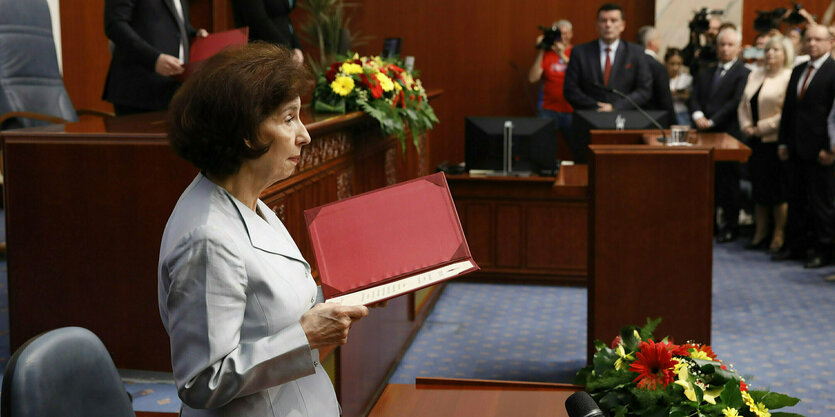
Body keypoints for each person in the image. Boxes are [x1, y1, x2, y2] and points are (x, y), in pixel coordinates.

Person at [158, 43, 371, 416]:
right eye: (289, 119)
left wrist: (338, 296)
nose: (304, 135)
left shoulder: (248, 199)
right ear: (245, 132)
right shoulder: (207, 237)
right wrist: (306, 336)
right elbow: (201, 381)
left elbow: (266, 308)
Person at [774, 24, 835, 268]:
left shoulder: (833, 71)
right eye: (808, 39)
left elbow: (834, 115)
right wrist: (782, 141)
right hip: (795, 147)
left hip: (821, 150)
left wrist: (831, 148)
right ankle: (795, 247)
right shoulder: (798, 69)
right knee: (796, 199)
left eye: (818, 40)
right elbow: (789, 111)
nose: (812, 44)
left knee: (821, 203)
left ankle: (824, 250)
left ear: (830, 42)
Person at [563, 3, 652, 162]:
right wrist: (596, 106)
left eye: (613, 20)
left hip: (625, 127)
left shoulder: (636, 53)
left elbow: (644, 90)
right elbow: (570, 89)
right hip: (587, 128)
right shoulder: (580, 52)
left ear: (623, 25)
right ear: (597, 25)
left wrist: (615, 107)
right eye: (603, 20)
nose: (608, 24)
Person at [690, 27, 750, 243]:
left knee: (729, 183)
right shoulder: (705, 72)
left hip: (729, 135)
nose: (725, 49)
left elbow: (734, 102)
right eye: (721, 44)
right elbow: (694, 97)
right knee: (708, 182)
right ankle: (711, 224)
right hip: (703, 135)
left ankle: (730, 225)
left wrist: (712, 120)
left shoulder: (744, 73)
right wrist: (698, 115)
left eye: (730, 45)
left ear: (738, 48)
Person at [737, 35, 793, 253]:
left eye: (776, 50)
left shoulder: (788, 77)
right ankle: (760, 232)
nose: (770, 54)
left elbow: (786, 113)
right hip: (754, 141)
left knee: (778, 191)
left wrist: (761, 127)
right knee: (759, 189)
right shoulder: (755, 75)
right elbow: (743, 104)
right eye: (768, 50)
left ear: (785, 54)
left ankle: (779, 233)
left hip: (775, 141)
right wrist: (746, 127)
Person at [103, 0, 208, 115]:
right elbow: (115, 25)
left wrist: (194, 34)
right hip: (138, 93)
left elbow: (175, 22)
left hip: (175, 91)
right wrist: (154, 59)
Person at [529, 19, 573, 155]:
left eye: (566, 34)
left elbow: (580, 74)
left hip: (571, 110)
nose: (562, 37)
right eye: (559, 34)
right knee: (542, 147)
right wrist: (543, 49)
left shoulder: (577, 52)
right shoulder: (547, 54)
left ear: (571, 34)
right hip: (547, 109)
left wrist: (562, 55)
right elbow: (533, 78)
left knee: (577, 147)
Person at [230, 0, 304, 63]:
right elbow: (257, 20)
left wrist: (297, 47)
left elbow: (284, 16)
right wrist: (288, 50)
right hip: (261, 54)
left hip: (285, 50)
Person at [637, 25, 674, 127]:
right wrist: (673, 123)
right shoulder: (658, 67)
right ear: (651, 43)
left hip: (633, 119)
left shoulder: (632, 63)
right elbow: (665, 100)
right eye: (658, 39)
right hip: (656, 121)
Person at [666, 48, 693, 126]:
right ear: (666, 63)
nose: (675, 68)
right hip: (666, 114)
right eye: (672, 64)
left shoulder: (687, 79)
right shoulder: (662, 79)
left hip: (682, 113)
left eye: (679, 64)